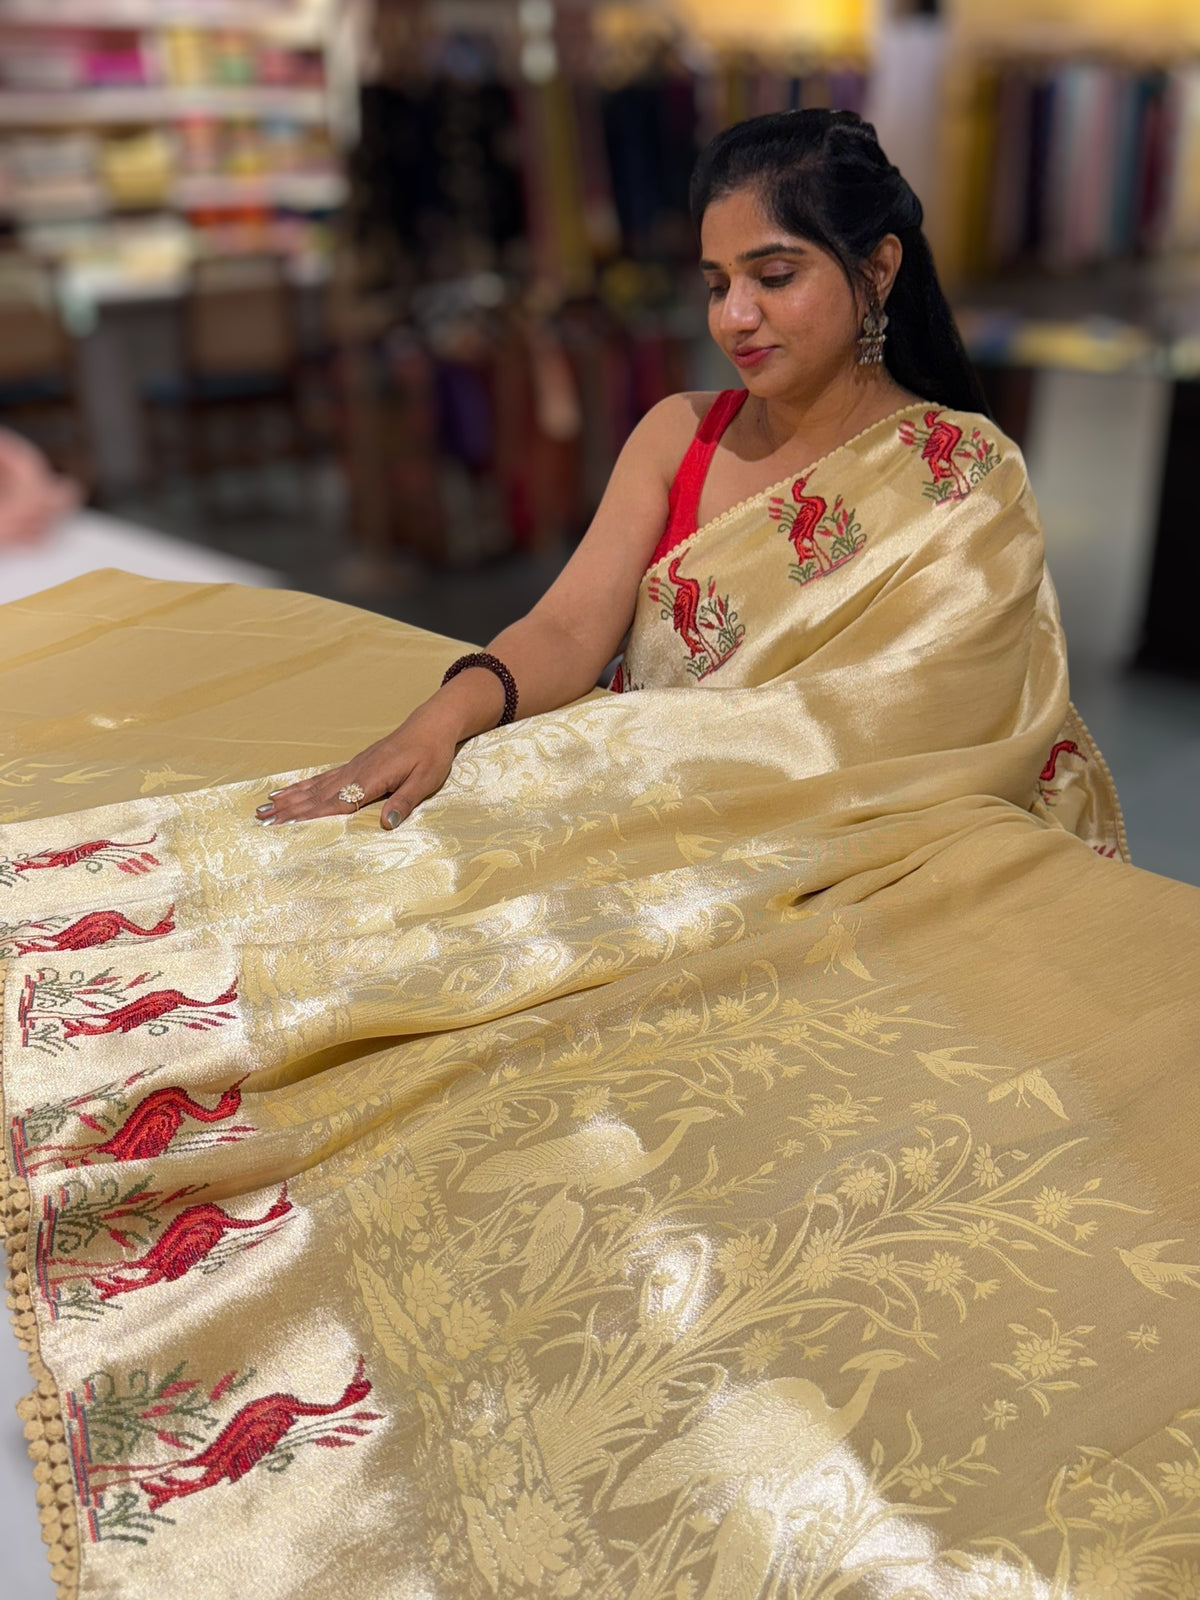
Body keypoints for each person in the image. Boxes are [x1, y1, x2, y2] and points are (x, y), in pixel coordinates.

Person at [2, 111, 1196, 1600]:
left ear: (877, 265)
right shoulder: (677, 435)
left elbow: (927, 709)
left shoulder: (960, 474)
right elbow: (571, 628)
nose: (737, 316)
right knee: (381, 893)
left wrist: (656, 768)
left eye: (775, 274)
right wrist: (455, 715)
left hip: (830, 822)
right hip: (652, 795)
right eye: (713, 283)